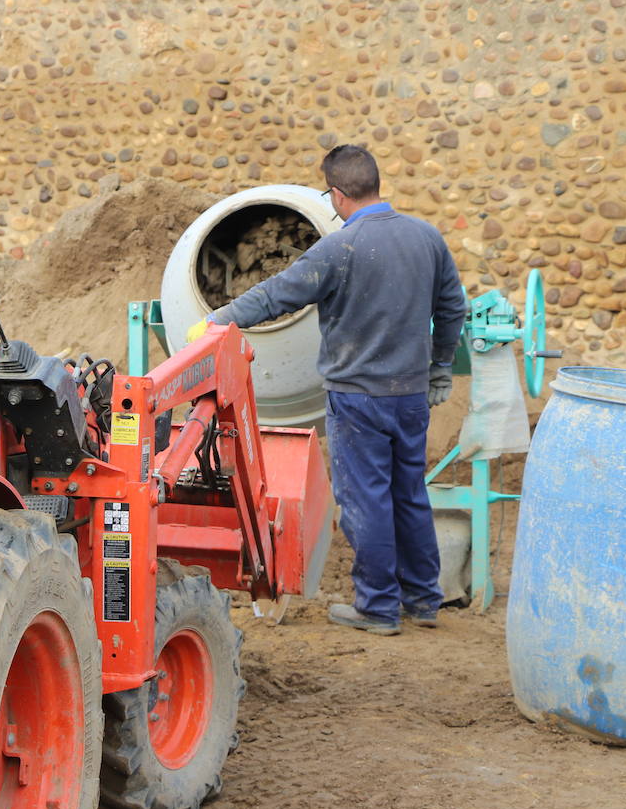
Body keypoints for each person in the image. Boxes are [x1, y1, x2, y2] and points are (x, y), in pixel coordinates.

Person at [192, 144, 466, 635]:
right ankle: (424, 599)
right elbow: (452, 309)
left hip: (359, 397)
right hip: (410, 395)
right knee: (409, 492)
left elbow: (278, 294)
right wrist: (440, 367)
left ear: (338, 195)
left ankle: (379, 608)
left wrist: (219, 319)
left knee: (367, 500)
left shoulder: (341, 247)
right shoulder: (427, 238)